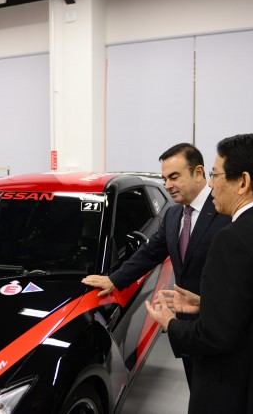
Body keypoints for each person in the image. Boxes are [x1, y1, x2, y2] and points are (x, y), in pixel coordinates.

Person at [146, 133, 253, 414]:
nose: (211, 184)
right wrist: (207, 305)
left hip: (236, 393)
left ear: (243, 182)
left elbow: (215, 337)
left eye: (215, 174)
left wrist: (171, 324)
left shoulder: (232, 238)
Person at [81, 142, 231, 387]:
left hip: (218, 324)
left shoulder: (225, 212)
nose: (167, 185)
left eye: (174, 177)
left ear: (199, 172)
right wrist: (115, 279)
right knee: (197, 388)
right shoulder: (173, 215)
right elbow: (150, 253)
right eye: (164, 179)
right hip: (184, 324)